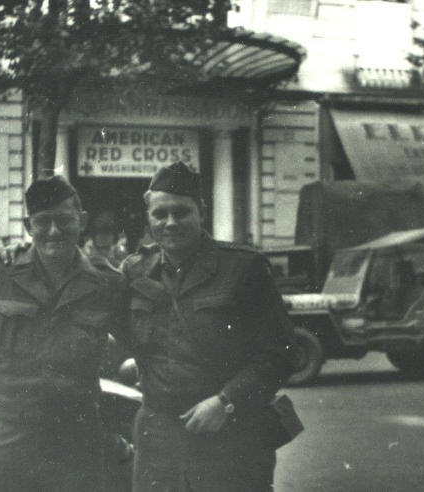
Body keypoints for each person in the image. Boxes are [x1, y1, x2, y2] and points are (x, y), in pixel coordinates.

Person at [121, 161, 297, 492]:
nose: (170, 222)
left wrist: (226, 401)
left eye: (181, 212)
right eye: (160, 214)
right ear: (148, 217)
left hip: (231, 439)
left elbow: (282, 353)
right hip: (159, 442)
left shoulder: (243, 268)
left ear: (201, 211)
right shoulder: (134, 271)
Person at [0, 176, 123, 492]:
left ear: (82, 222)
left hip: (77, 447)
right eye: (42, 221)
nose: (53, 230)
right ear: (28, 226)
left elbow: (144, 346)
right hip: (5, 443)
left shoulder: (108, 284)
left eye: (64, 220)